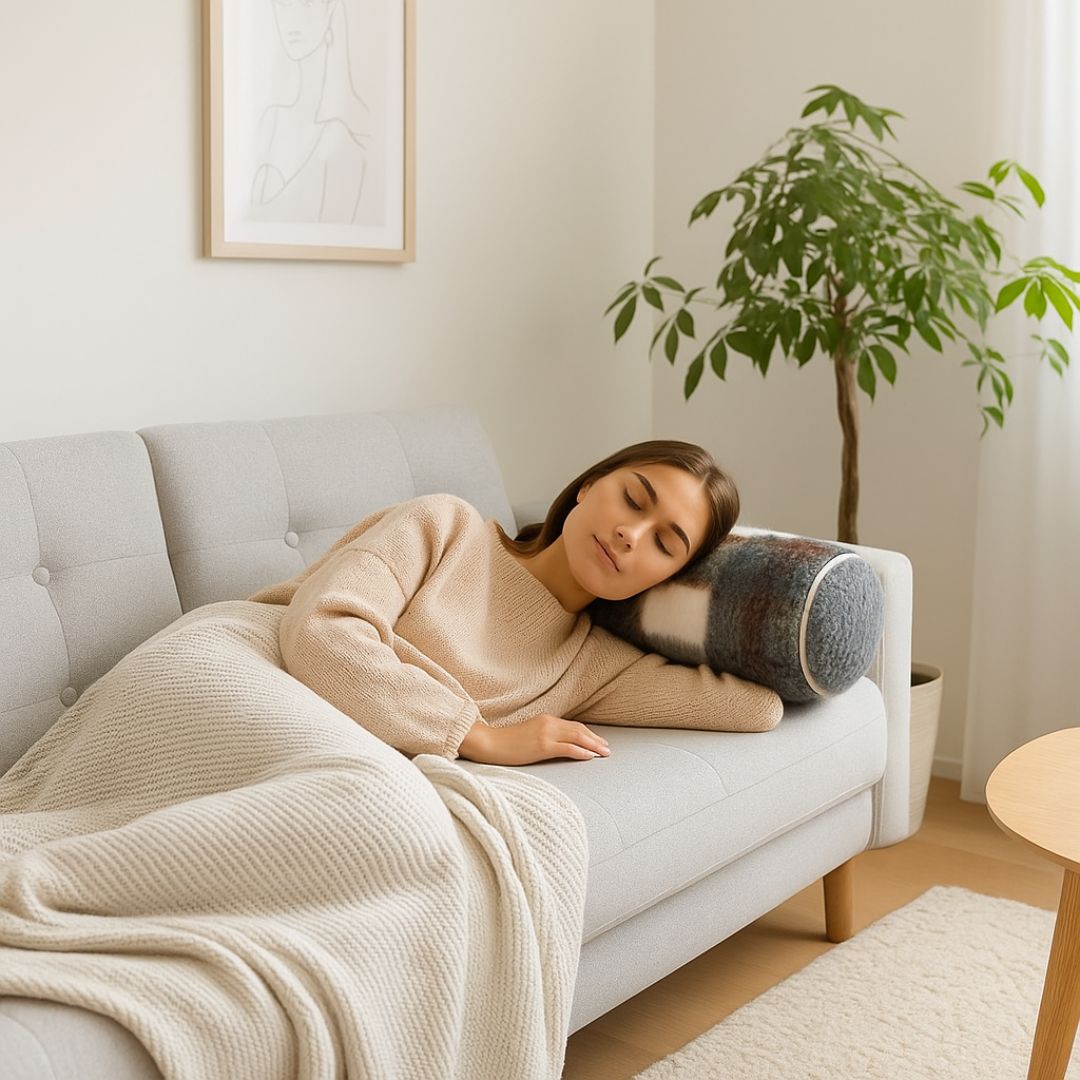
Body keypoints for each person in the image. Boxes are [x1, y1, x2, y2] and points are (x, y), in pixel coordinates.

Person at [247, 440, 783, 766]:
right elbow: (322, 631)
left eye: (666, 545)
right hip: (251, 665)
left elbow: (757, 708)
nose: (630, 534)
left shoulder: (592, 667)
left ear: (670, 577)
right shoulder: (446, 526)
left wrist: (720, 577)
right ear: (589, 485)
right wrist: (479, 737)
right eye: (633, 499)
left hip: (332, 741)